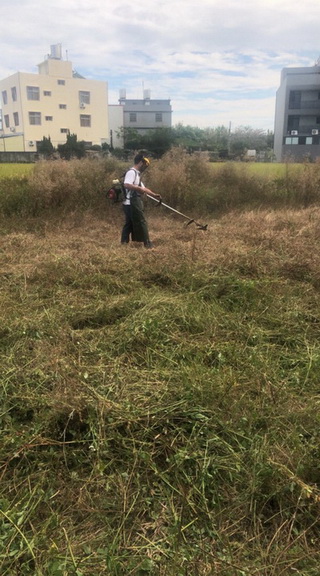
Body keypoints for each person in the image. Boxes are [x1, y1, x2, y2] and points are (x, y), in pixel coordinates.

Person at [121, 152, 161, 248]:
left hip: (132, 202)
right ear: (139, 163)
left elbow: (143, 188)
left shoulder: (137, 174)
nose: (145, 166)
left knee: (129, 223)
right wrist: (138, 189)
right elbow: (126, 184)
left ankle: (124, 243)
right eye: (144, 164)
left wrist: (154, 195)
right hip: (130, 202)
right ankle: (147, 243)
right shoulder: (131, 172)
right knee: (141, 221)